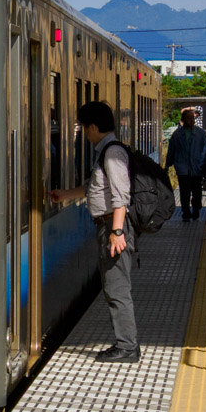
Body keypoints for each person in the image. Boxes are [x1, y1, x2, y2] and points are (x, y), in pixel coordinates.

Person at [50, 100, 137, 363]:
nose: (83, 133)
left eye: (84, 127)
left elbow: (121, 196)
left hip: (113, 226)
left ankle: (127, 347)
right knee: (114, 286)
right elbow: (93, 187)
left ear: (94, 126)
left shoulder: (112, 153)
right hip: (108, 225)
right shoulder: (105, 151)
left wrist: (117, 231)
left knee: (117, 287)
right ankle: (126, 343)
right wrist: (64, 195)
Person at [165, 108, 206, 222]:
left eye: (192, 118)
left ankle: (196, 209)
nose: (191, 120)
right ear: (183, 119)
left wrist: (205, 165)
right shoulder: (177, 134)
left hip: (196, 167)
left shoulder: (200, 133)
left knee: (197, 191)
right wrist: (168, 164)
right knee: (184, 192)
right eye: (188, 118)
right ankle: (186, 212)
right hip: (182, 168)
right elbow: (171, 150)